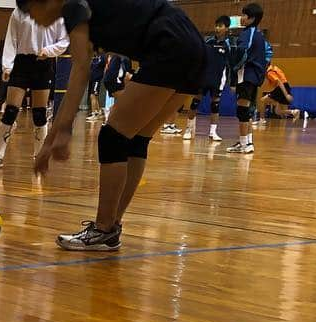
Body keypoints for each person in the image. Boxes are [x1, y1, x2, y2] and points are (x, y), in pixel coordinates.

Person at [28, 0, 207, 252]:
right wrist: (51, 140)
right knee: (135, 138)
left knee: (112, 137)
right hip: (194, 47)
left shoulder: (73, 8)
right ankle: (111, 227)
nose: (33, 19)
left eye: (30, 10)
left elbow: (79, 73)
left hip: (169, 43)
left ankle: (103, 228)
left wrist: (59, 136)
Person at [0, 6, 68, 168]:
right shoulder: (19, 12)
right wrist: (7, 67)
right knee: (10, 111)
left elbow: (64, 41)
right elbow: (12, 39)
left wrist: (48, 51)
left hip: (43, 64)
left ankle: (39, 156)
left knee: (39, 113)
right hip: (21, 63)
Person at [183, 16, 232, 142]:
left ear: (226, 28)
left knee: (215, 105)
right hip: (204, 77)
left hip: (218, 79)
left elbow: (230, 65)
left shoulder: (229, 45)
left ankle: (212, 132)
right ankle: (188, 129)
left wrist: (231, 82)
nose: (217, 28)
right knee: (195, 102)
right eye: (216, 25)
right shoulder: (208, 42)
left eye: (220, 26)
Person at [227, 3, 267, 154]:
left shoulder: (248, 34)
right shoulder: (257, 34)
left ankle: (244, 144)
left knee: (242, 110)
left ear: (252, 18)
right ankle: (247, 142)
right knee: (248, 110)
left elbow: (241, 55)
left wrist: (232, 79)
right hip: (253, 76)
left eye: (244, 15)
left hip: (247, 75)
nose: (241, 18)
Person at [87, 52, 106, 120]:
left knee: (92, 96)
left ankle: (94, 114)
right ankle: (98, 112)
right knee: (95, 96)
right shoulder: (95, 57)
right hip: (92, 79)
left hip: (97, 79)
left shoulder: (103, 57)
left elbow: (104, 66)